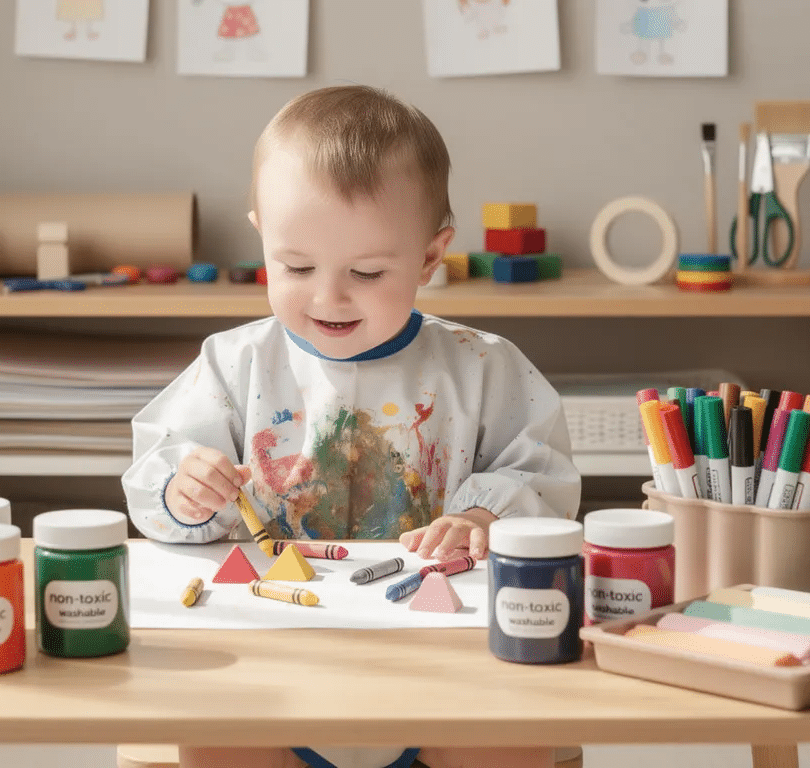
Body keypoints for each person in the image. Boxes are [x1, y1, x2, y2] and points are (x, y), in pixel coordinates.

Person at [122, 84, 580, 768]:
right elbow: (158, 474)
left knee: (512, 730)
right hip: (269, 647)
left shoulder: (483, 368)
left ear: (430, 255)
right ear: (263, 238)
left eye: (366, 272)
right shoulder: (232, 363)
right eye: (296, 266)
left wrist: (486, 517)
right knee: (211, 730)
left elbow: (543, 480)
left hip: (443, 654)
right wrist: (182, 494)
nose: (328, 296)